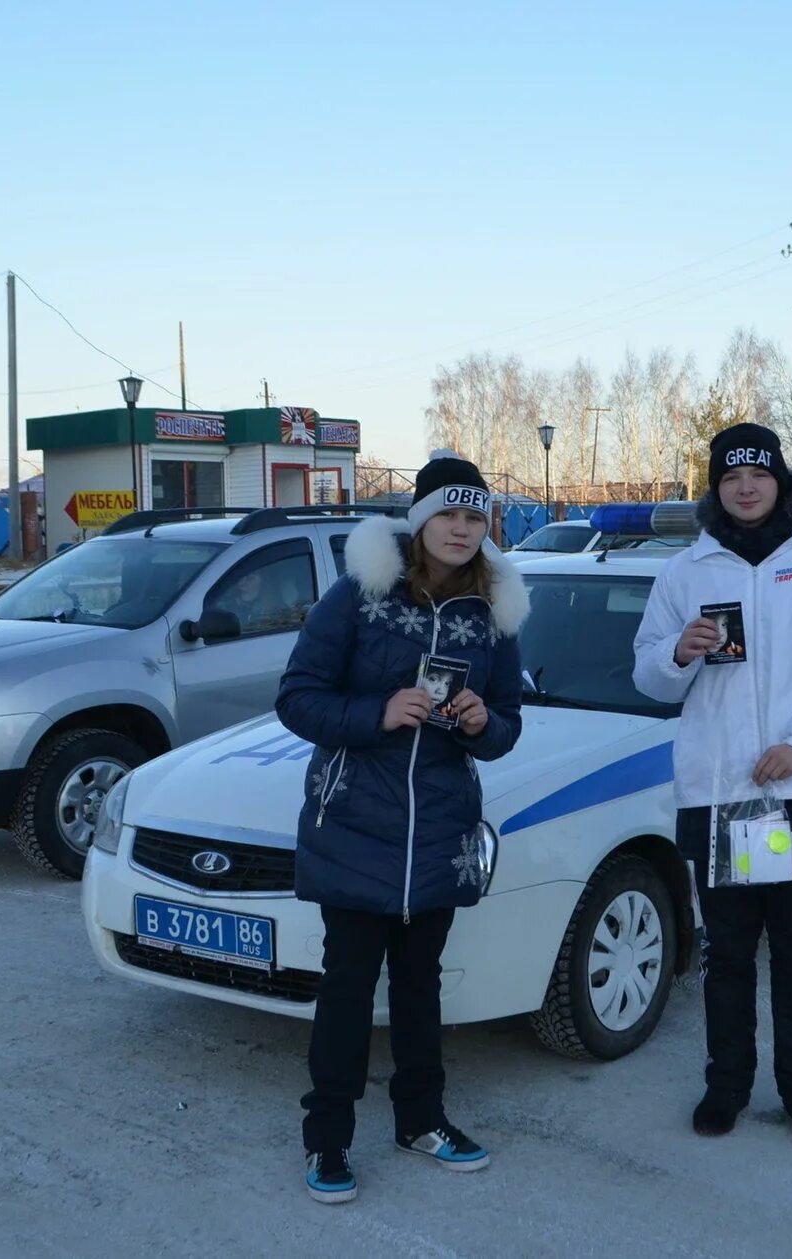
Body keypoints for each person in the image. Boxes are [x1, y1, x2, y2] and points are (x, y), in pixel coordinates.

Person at [275, 450, 528, 1204]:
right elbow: (297, 697)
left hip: (440, 830)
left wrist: (483, 722)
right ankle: (327, 1141)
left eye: (473, 515)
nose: (460, 527)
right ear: (419, 521)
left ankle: (422, 1120)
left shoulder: (496, 614)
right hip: (356, 822)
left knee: (422, 986)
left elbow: (509, 720)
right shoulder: (361, 593)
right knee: (349, 988)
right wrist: (376, 713)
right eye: (447, 513)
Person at [633, 423, 792, 1146]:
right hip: (722, 795)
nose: (746, 487)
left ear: (781, 481)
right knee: (727, 955)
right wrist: (677, 653)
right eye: (731, 476)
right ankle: (727, 1085)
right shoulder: (687, 572)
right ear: (715, 487)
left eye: (759, 474)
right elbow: (648, 673)